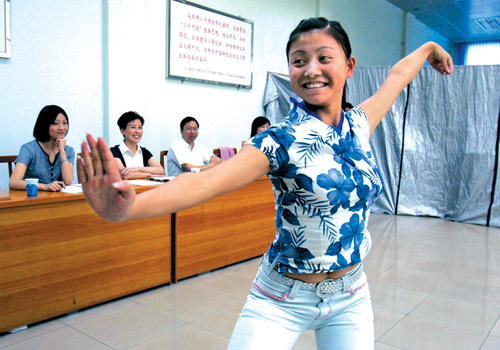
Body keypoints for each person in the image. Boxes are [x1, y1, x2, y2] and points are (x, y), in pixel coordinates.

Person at [78, 17, 453, 350]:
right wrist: (132, 208)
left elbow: (398, 77)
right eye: (299, 60)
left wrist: (430, 47)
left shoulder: (359, 124)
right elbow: (205, 183)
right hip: (282, 297)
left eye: (325, 58)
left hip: (351, 293)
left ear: (349, 66)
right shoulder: (279, 140)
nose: (311, 70)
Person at [10, 105, 75, 192]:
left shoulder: (68, 150)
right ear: (44, 124)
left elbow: (68, 181)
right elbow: (13, 182)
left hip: (56, 199)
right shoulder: (28, 149)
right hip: (33, 198)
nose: (62, 128)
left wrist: (62, 151)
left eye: (65, 123)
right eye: (55, 123)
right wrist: (44, 186)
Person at [109, 111, 164, 180]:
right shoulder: (114, 151)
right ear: (123, 131)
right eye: (133, 127)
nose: (137, 131)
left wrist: (138, 169)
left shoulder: (144, 151)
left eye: (140, 128)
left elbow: (160, 170)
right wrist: (149, 174)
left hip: (145, 188)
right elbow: (124, 175)